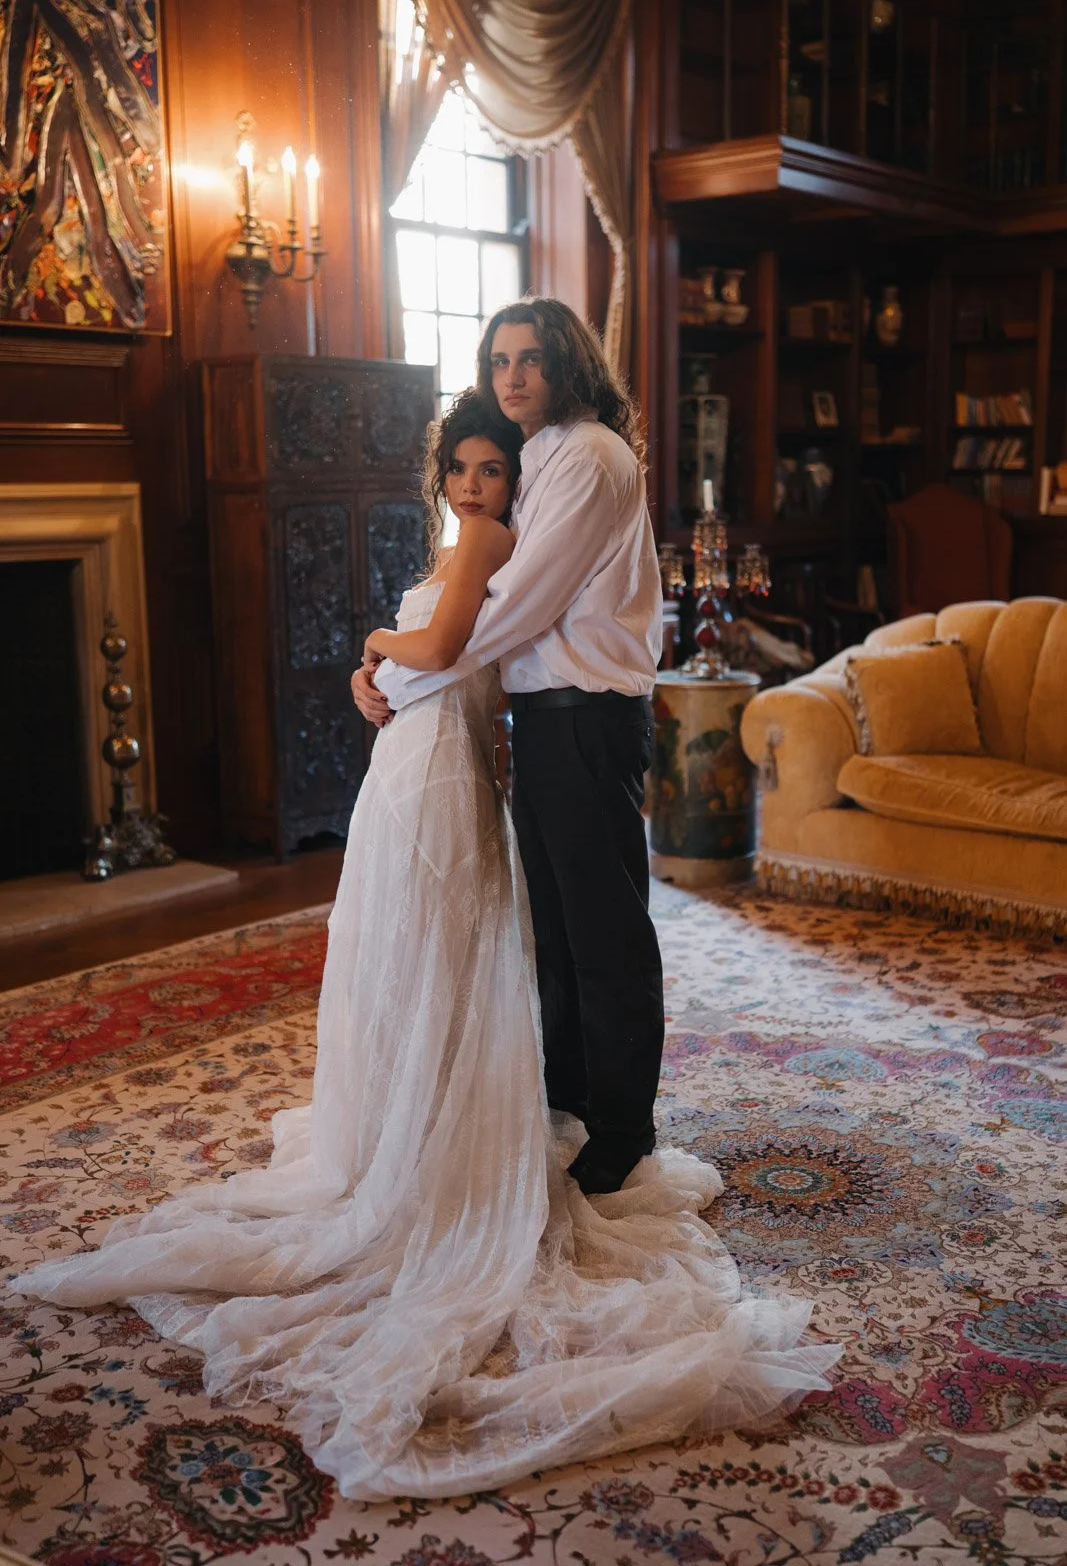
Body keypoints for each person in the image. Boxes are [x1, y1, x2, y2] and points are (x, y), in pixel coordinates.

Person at [12, 388, 839, 1504]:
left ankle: (440, 1143)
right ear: (439, 470)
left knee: (444, 954)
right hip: (411, 768)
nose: (471, 485)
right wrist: (377, 678)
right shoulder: (471, 539)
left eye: (490, 470)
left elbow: (444, 643)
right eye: (459, 466)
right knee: (405, 961)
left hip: (442, 778)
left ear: (511, 484)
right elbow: (434, 656)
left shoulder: (494, 542)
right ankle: (408, 1116)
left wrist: (371, 644)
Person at [354, 298, 663, 1197]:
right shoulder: (537, 459)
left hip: (586, 718)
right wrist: (388, 673)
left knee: (605, 931)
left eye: (530, 358)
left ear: (569, 364)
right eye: (499, 361)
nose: (514, 375)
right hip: (540, 717)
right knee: (557, 927)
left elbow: (515, 608)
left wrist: (391, 676)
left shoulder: (593, 458)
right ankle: (568, 1093)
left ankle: (622, 1126)